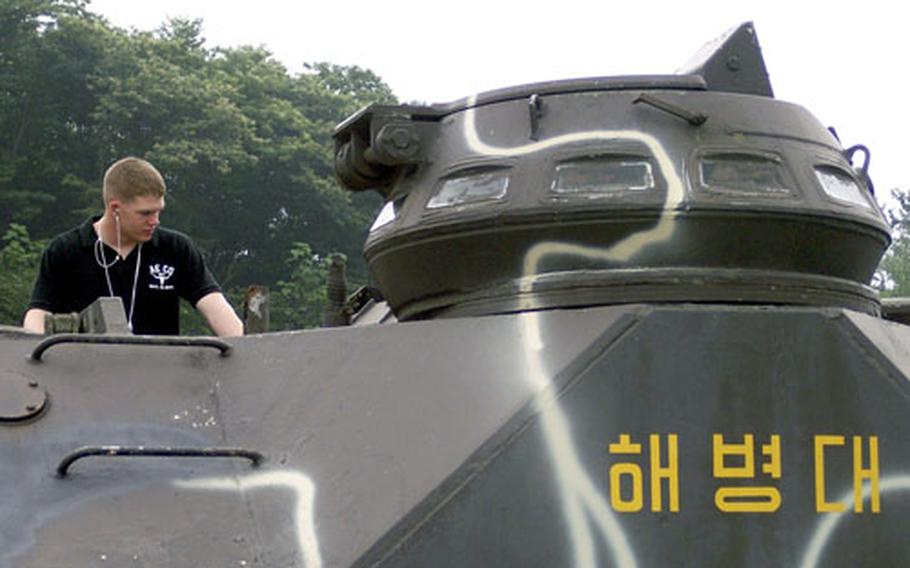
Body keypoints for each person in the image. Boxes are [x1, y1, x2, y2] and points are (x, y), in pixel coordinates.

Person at [23, 157, 243, 337]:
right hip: (82, 379)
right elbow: (38, 313)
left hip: (163, 378)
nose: (155, 221)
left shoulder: (176, 249)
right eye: (146, 213)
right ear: (115, 208)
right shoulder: (66, 251)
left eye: (158, 211)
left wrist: (252, 353)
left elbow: (215, 308)